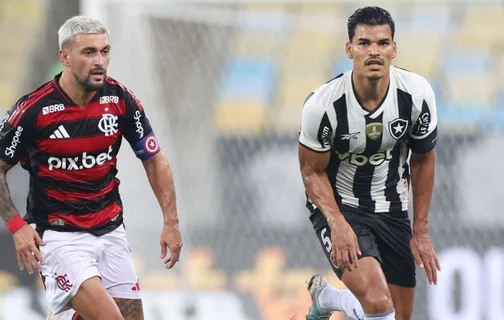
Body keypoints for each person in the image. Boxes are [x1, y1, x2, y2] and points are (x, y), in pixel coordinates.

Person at [0, 16, 182, 320]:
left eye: (105, 51)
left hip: (111, 231)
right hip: (58, 238)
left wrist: (171, 221)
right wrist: (17, 226)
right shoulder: (33, 110)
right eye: (89, 52)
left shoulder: (120, 99)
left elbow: (154, 159)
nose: (100, 61)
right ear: (65, 57)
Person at [298, 6, 440, 320]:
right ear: (350, 49)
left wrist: (421, 232)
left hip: (392, 208)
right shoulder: (323, 106)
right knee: (378, 304)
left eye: (382, 43)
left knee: (398, 316)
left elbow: (423, 160)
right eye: (364, 43)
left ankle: (327, 296)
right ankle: (332, 295)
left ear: (394, 49)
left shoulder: (416, 95)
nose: (373, 51)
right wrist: (338, 225)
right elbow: (311, 171)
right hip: (341, 206)